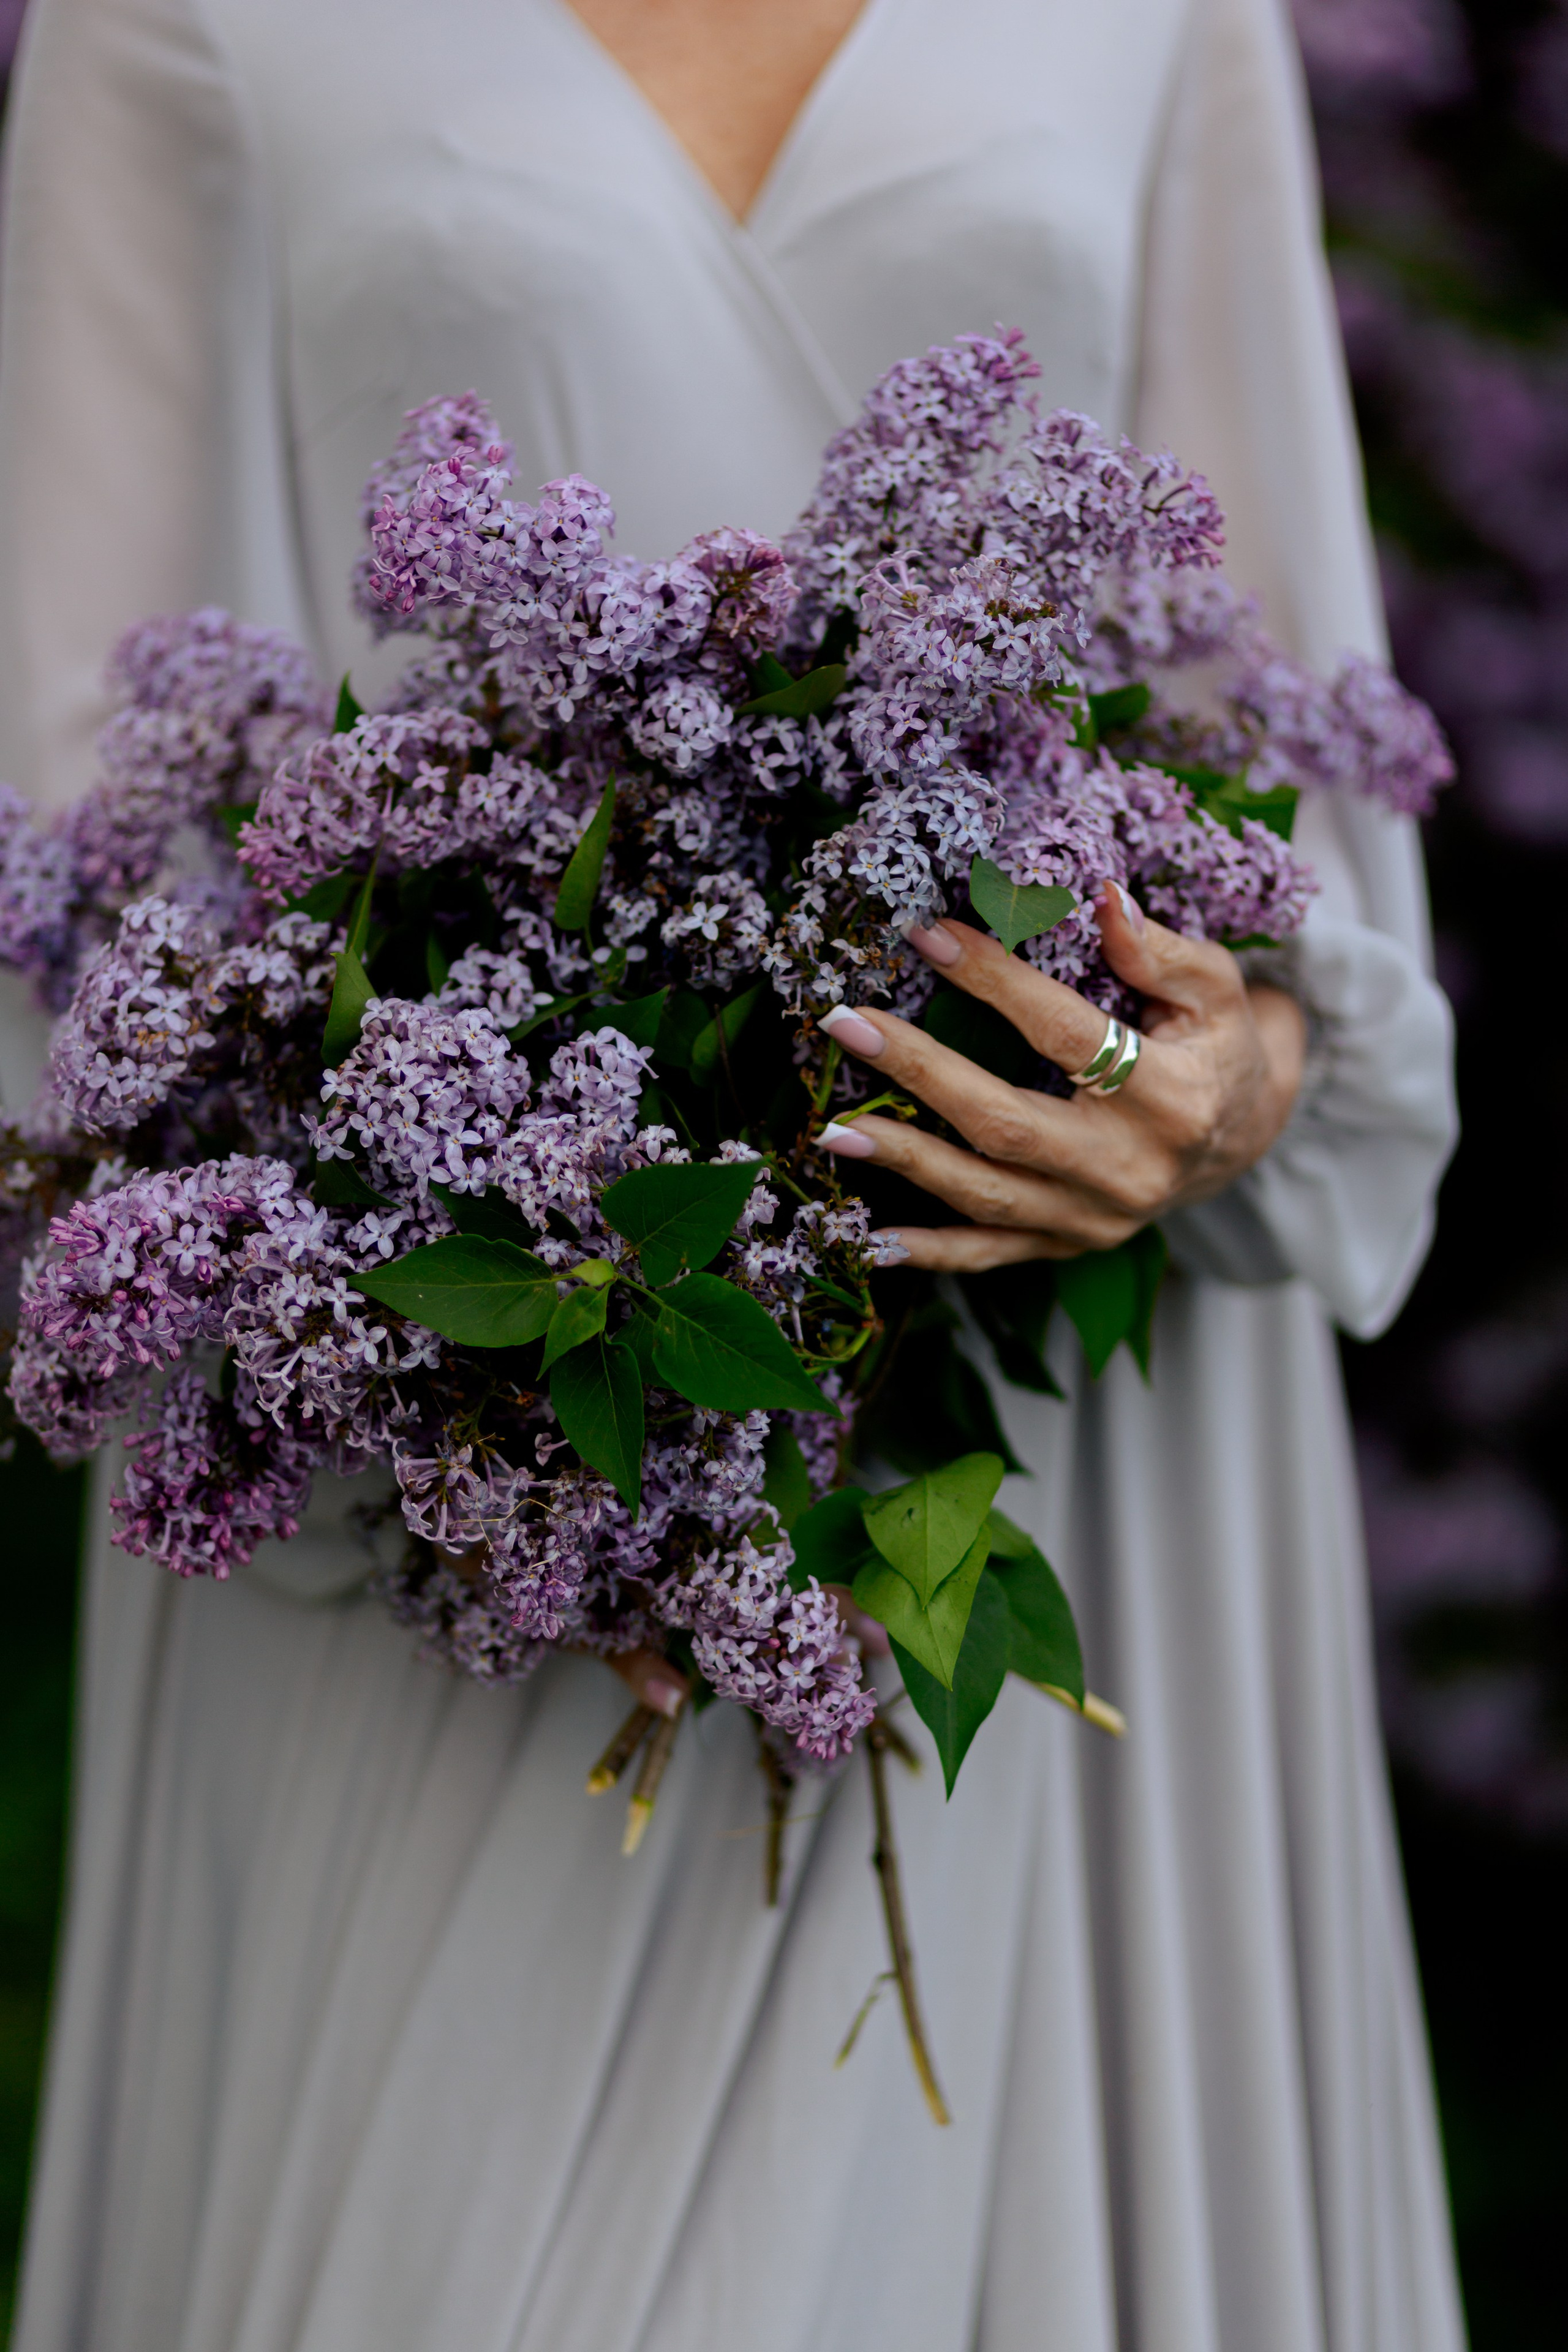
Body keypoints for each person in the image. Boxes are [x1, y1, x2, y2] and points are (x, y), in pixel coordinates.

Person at [0, 0, 1467, 2345]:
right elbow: (77, 816)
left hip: (1055, 1386)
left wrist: (1246, 1072)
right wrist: (440, 1373)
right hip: (448, 1475)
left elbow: (1278, 701)